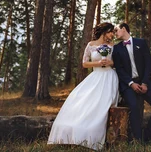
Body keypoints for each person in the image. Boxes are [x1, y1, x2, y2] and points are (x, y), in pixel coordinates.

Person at [47, 22, 119, 150]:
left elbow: (117, 63)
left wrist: (110, 62)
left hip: (109, 77)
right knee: (83, 102)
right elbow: (85, 63)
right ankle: (75, 135)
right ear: (104, 32)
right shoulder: (91, 45)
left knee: (103, 106)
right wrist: (98, 63)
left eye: (113, 32)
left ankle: (99, 139)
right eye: (110, 32)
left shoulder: (112, 46)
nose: (112, 35)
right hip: (95, 76)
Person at [112, 23, 151, 143]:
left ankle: (148, 135)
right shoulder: (117, 48)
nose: (115, 33)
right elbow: (119, 70)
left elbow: (148, 65)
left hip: (144, 82)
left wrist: (145, 83)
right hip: (128, 85)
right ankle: (138, 140)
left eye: (116, 30)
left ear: (124, 29)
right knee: (134, 107)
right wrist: (131, 83)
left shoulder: (141, 43)